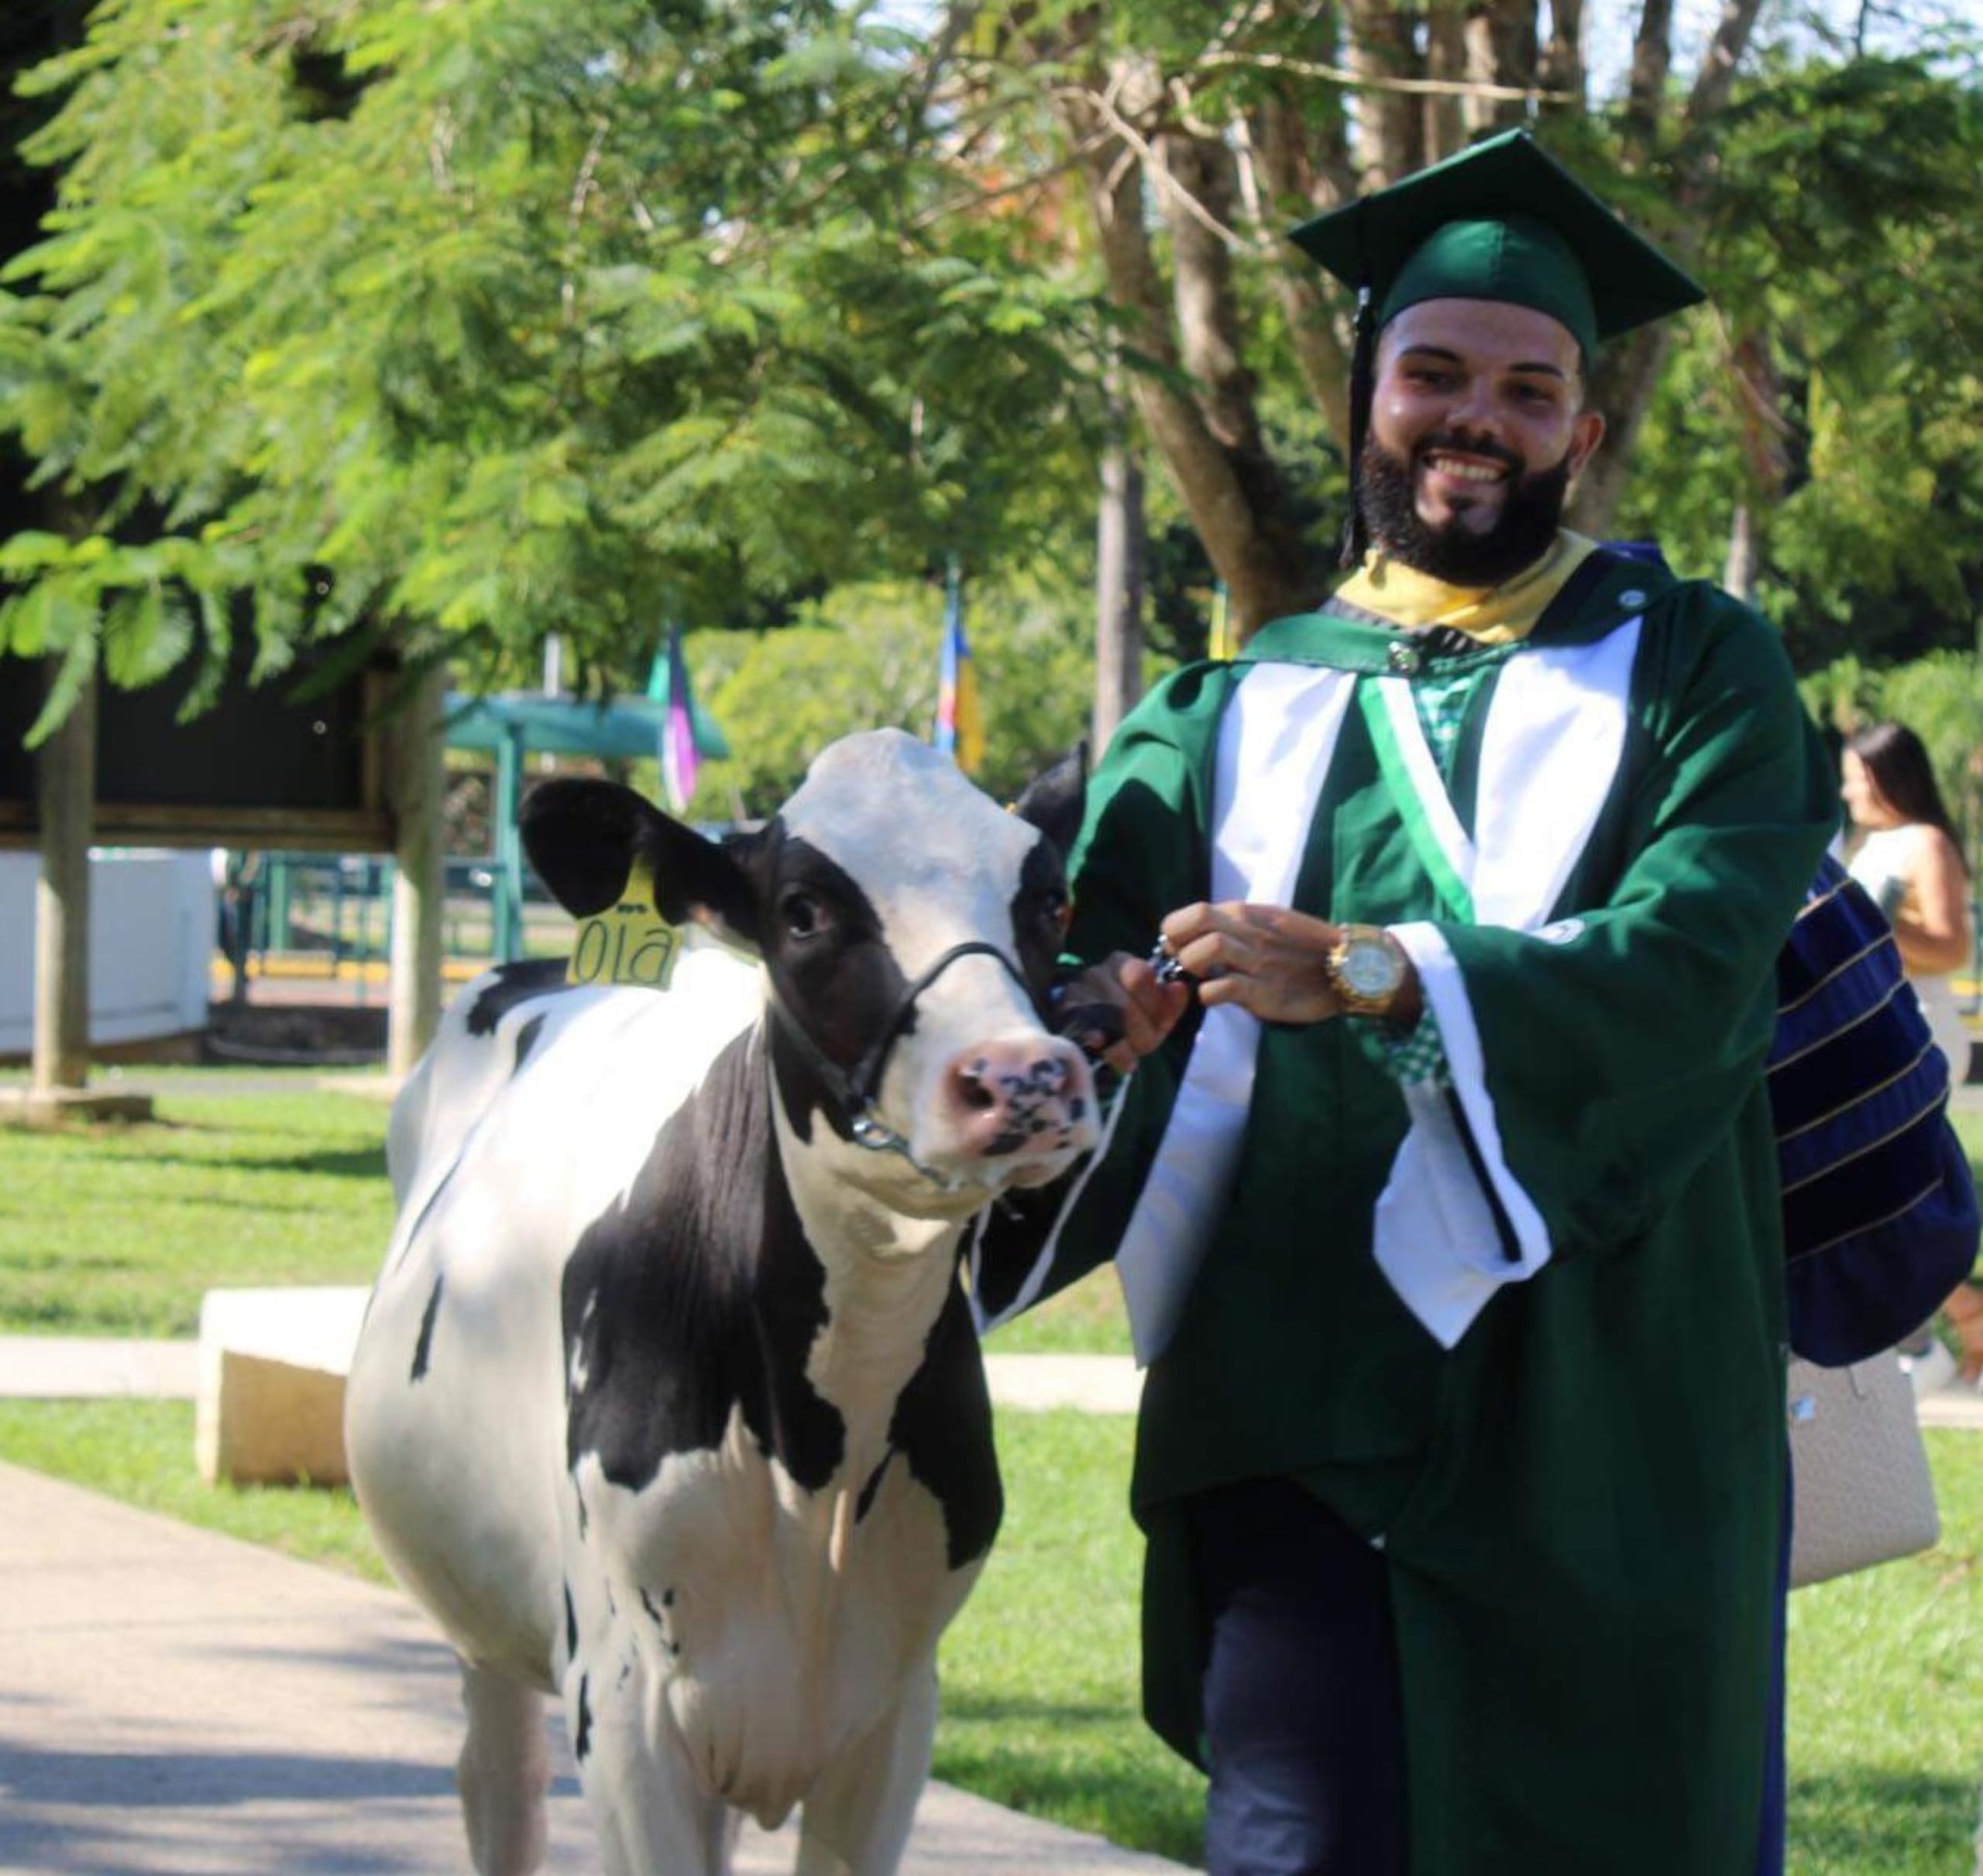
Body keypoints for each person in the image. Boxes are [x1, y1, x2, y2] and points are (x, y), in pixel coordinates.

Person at [969, 129, 1838, 1876]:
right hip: (1289, 1389)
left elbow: (1687, 970)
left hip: (1610, 1390)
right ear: (1362, 396)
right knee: (1305, 1839)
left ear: (1581, 433)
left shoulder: (1695, 668)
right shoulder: (1220, 711)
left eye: (1528, 389)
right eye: (1430, 372)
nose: (1475, 418)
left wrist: (1362, 968)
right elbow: (1084, 982)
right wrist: (1109, 1019)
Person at [1841, 720, 1983, 1381]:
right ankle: (1953, 1320)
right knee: (1876, 1193)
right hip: (1872, 1031)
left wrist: (1877, 924)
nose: (1848, 791)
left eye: (1856, 776)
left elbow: (1952, 947)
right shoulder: (1867, 843)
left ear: (1887, 775)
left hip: (1917, 1032)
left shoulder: (1925, 843)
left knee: (1886, 1191)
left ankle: (1942, 1329)